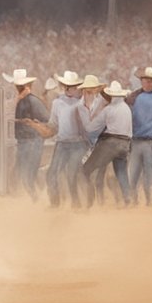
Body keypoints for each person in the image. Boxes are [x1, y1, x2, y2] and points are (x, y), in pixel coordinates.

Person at [80, 80, 133, 208]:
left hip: (110, 143)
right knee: (121, 172)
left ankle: (90, 200)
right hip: (125, 143)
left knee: (86, 170)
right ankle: (127, 198)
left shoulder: (108, 109)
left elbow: (91, 128)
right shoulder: (126, 109)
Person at [46, 70, 90, 209]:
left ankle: (75, 202)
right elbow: (53, 123)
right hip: (63, 143)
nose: (72, 89)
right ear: (65, 87)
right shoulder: (57, 103)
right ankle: (55, 202)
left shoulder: (81, 104)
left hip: (77, 143)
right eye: (69, 86)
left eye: (74, 86)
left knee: (71, 173)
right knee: (52, 173)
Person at [125, 66, 152, 206]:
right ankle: (135, 199)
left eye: (150, 81)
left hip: (151, 140)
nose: (148, 83)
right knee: (135, 171)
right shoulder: (138, 97)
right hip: (138, 140)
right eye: (145, 81)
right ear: (141, 82)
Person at [7, 68, 49, 200]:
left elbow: (46, 119)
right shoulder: (22, 100)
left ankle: (36, 199)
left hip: (31, 141)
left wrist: (33, 123)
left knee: (27, 174)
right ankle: (37, 196)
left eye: (20, 85)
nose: (18, 87)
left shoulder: (32, 101)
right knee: (23, 172)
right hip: (25, 141)